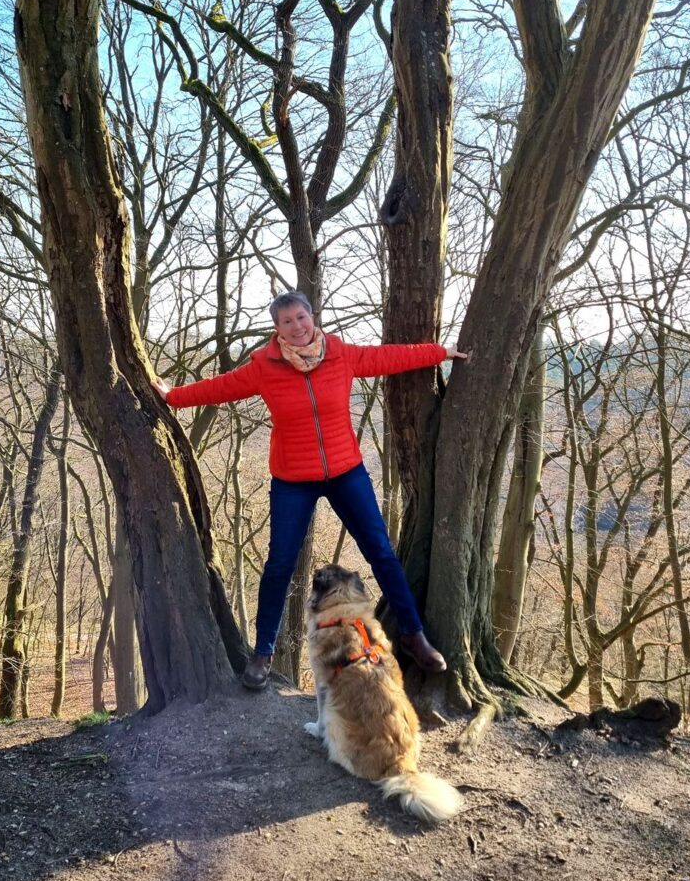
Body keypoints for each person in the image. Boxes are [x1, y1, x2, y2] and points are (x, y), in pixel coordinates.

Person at [154, 292, 469, 690]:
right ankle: (263, 652)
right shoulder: (263, 367)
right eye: (286, 321)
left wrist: (440, 352)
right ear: (277, 327)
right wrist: (173, 396)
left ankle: (414, 635)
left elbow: (390, 357)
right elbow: (219, 388)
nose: (296, 326)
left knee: (382, 553)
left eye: (301, 317)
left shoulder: (341, 354)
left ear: (311, 316)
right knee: (279, 565)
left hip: (346, 472)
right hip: (292, 480)